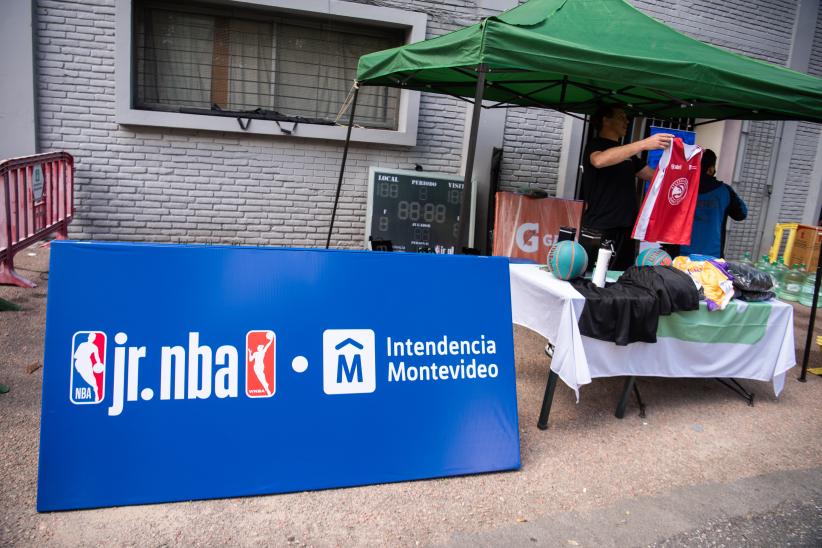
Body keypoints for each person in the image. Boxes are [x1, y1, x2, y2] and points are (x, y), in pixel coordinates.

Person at [580, 105, 674, 270]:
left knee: (621, 276)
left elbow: (654, 176)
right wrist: (643, 144)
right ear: (606, 120)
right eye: (621, 117)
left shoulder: (629, 155)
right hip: (601, 227)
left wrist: (680, 165)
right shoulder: (595, 145)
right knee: (594, 277)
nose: (627, 121)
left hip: (627, 228)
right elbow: (599, 160)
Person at [680, 149, 747, 258]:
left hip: (680, 257)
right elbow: (741, 214)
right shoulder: (725, 191)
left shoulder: (679, 188)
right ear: (711, 169)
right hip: (712, 258)